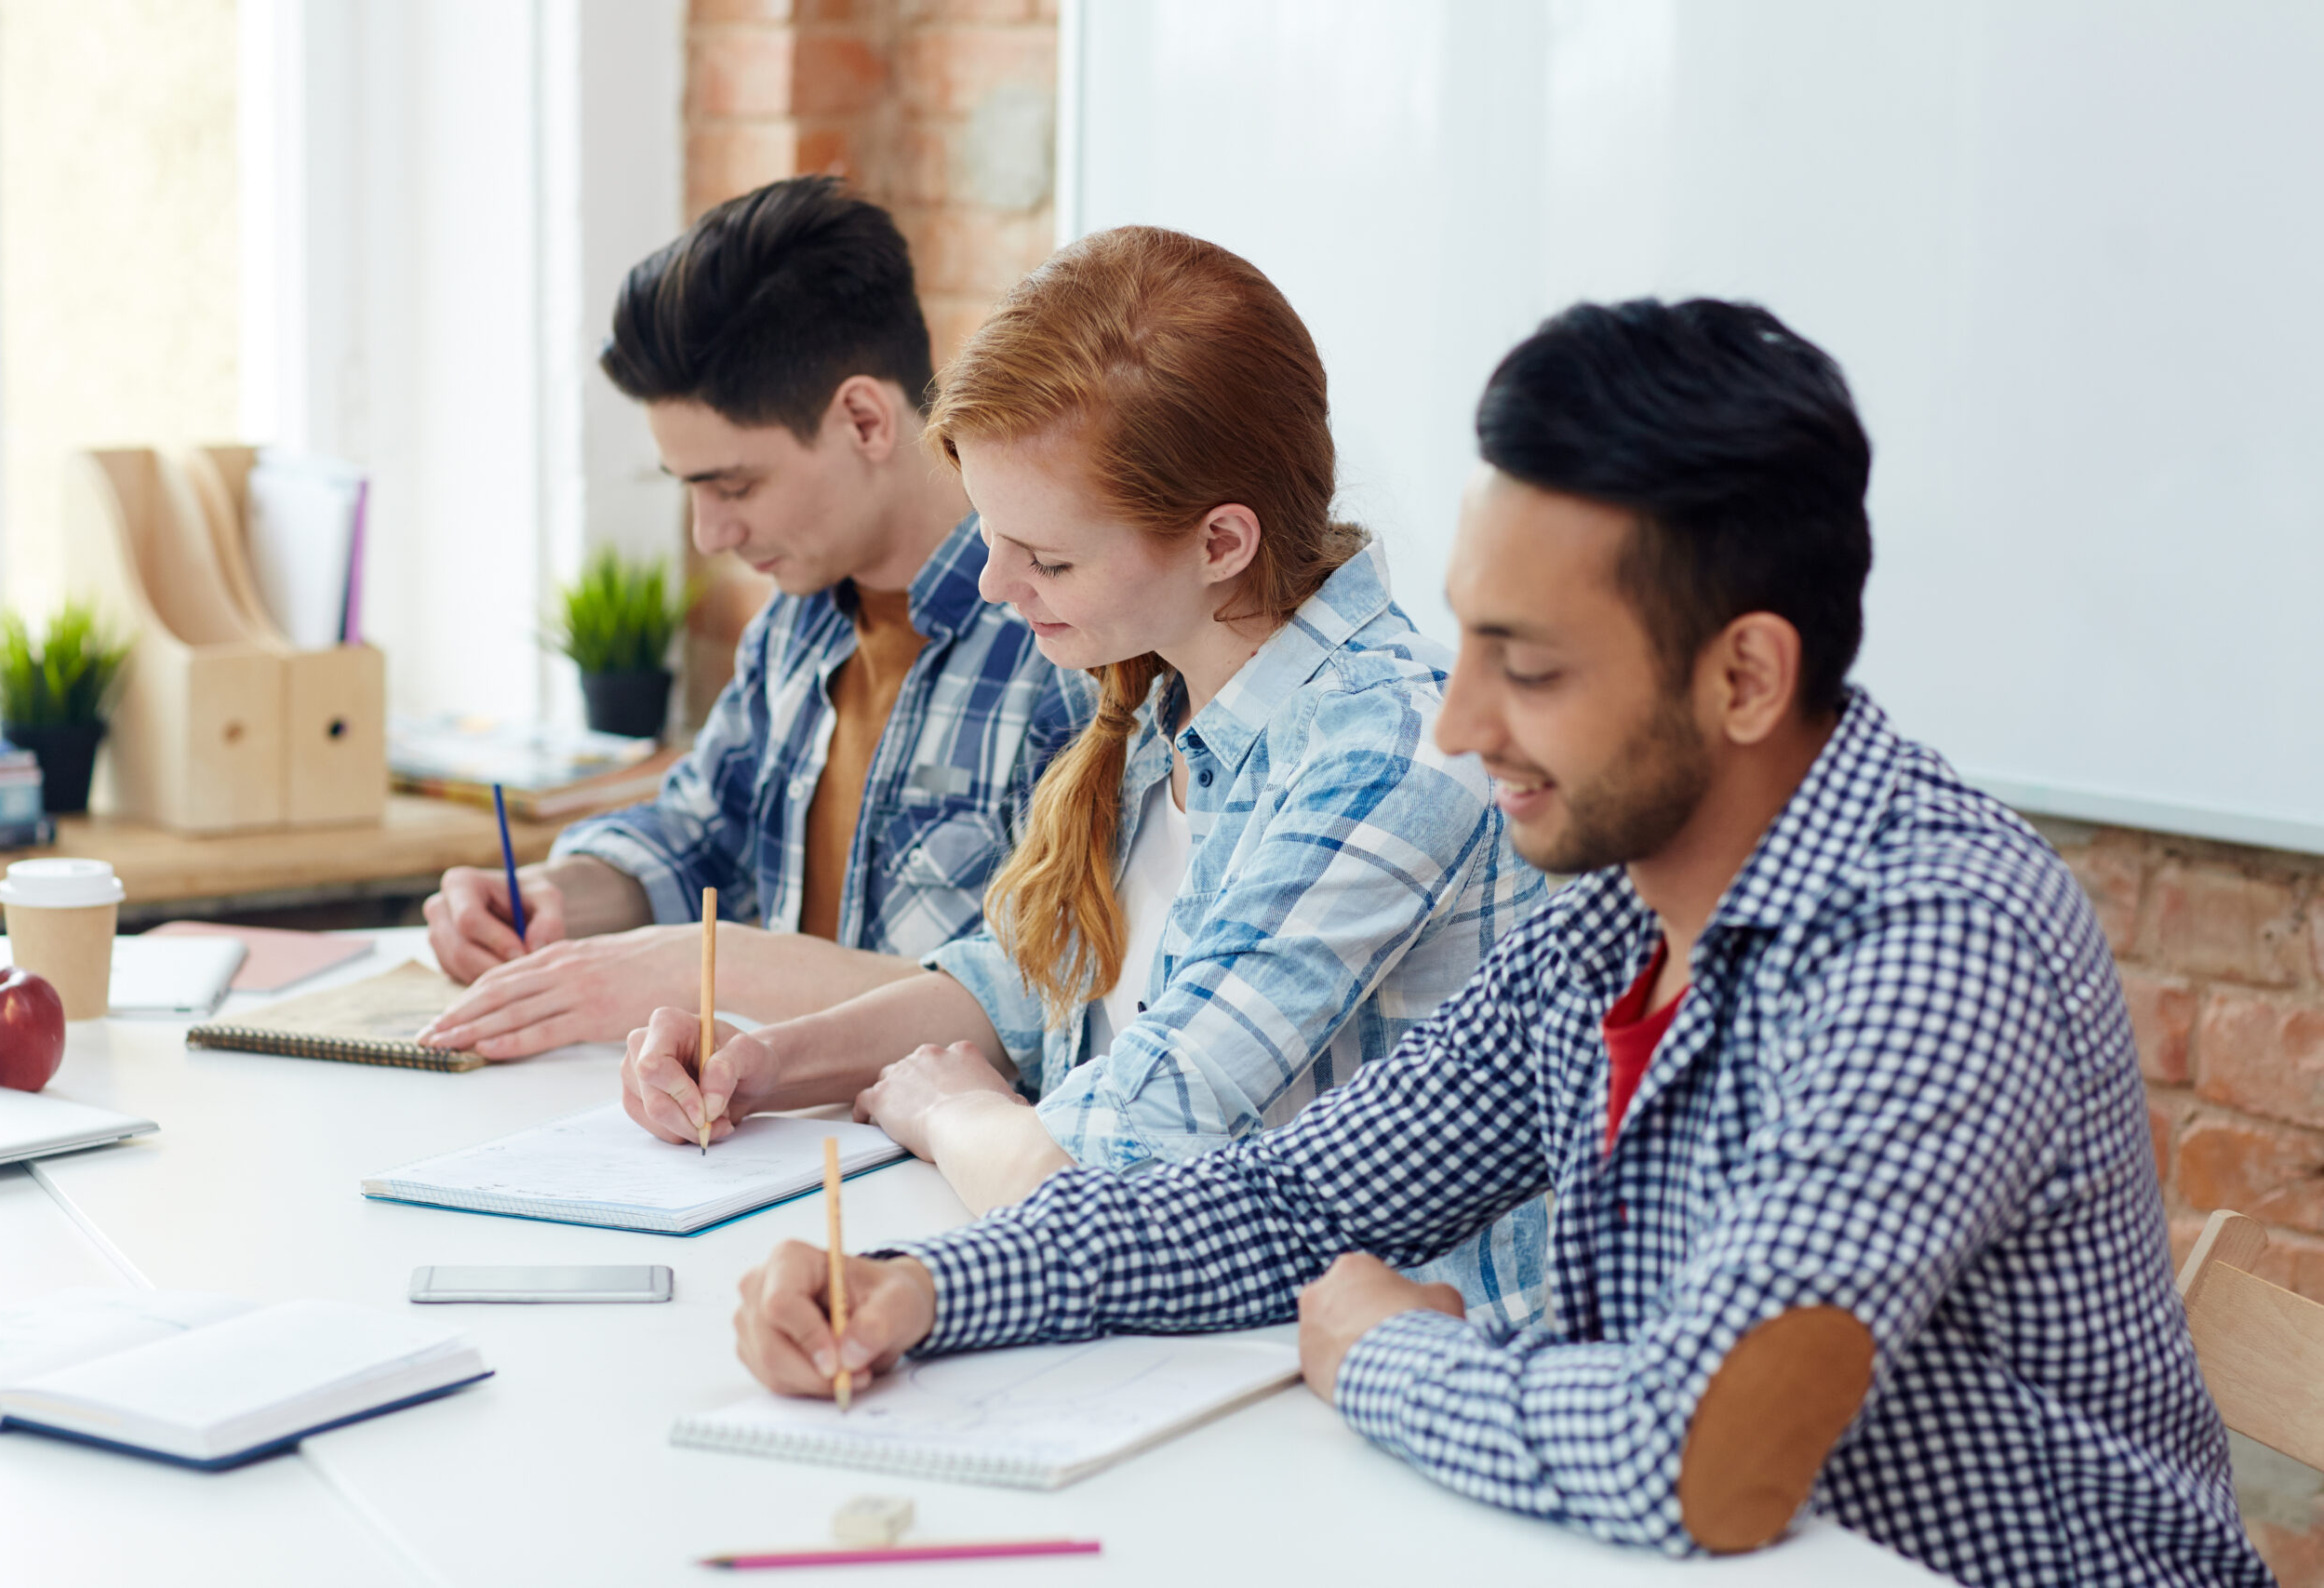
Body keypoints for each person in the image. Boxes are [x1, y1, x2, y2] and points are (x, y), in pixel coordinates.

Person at [720, 300, 2269, 1587]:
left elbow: (1701, 1453)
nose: (1458, 724)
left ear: (1743, 676)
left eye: (1527, 669)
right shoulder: (1615, 911)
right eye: (1466, 644)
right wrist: (925, 1287)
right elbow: (1285, 1202)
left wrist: (1384, 1344)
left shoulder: (1938, 946)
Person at [621, 226, 1544, 1319]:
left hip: (1351, 1378)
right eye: (994, 537)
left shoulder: (1388, 752)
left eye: (1048, 558)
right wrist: (768, 1064)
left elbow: (1132, 1149)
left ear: (1221, 543)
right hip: (1163, 1350)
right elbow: (1022, 982)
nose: (1000, 586)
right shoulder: (1163, 685)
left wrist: (951, 1112)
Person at [417, 178, 1082, 1060]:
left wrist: (713, 962)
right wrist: (555, 894)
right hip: (761, 1133)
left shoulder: (1067, 647)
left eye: (735, 485)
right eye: (692, 489)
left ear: (863, 419)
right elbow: (702, 832)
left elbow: (1052, 1004)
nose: (712, 532)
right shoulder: (796, 625)